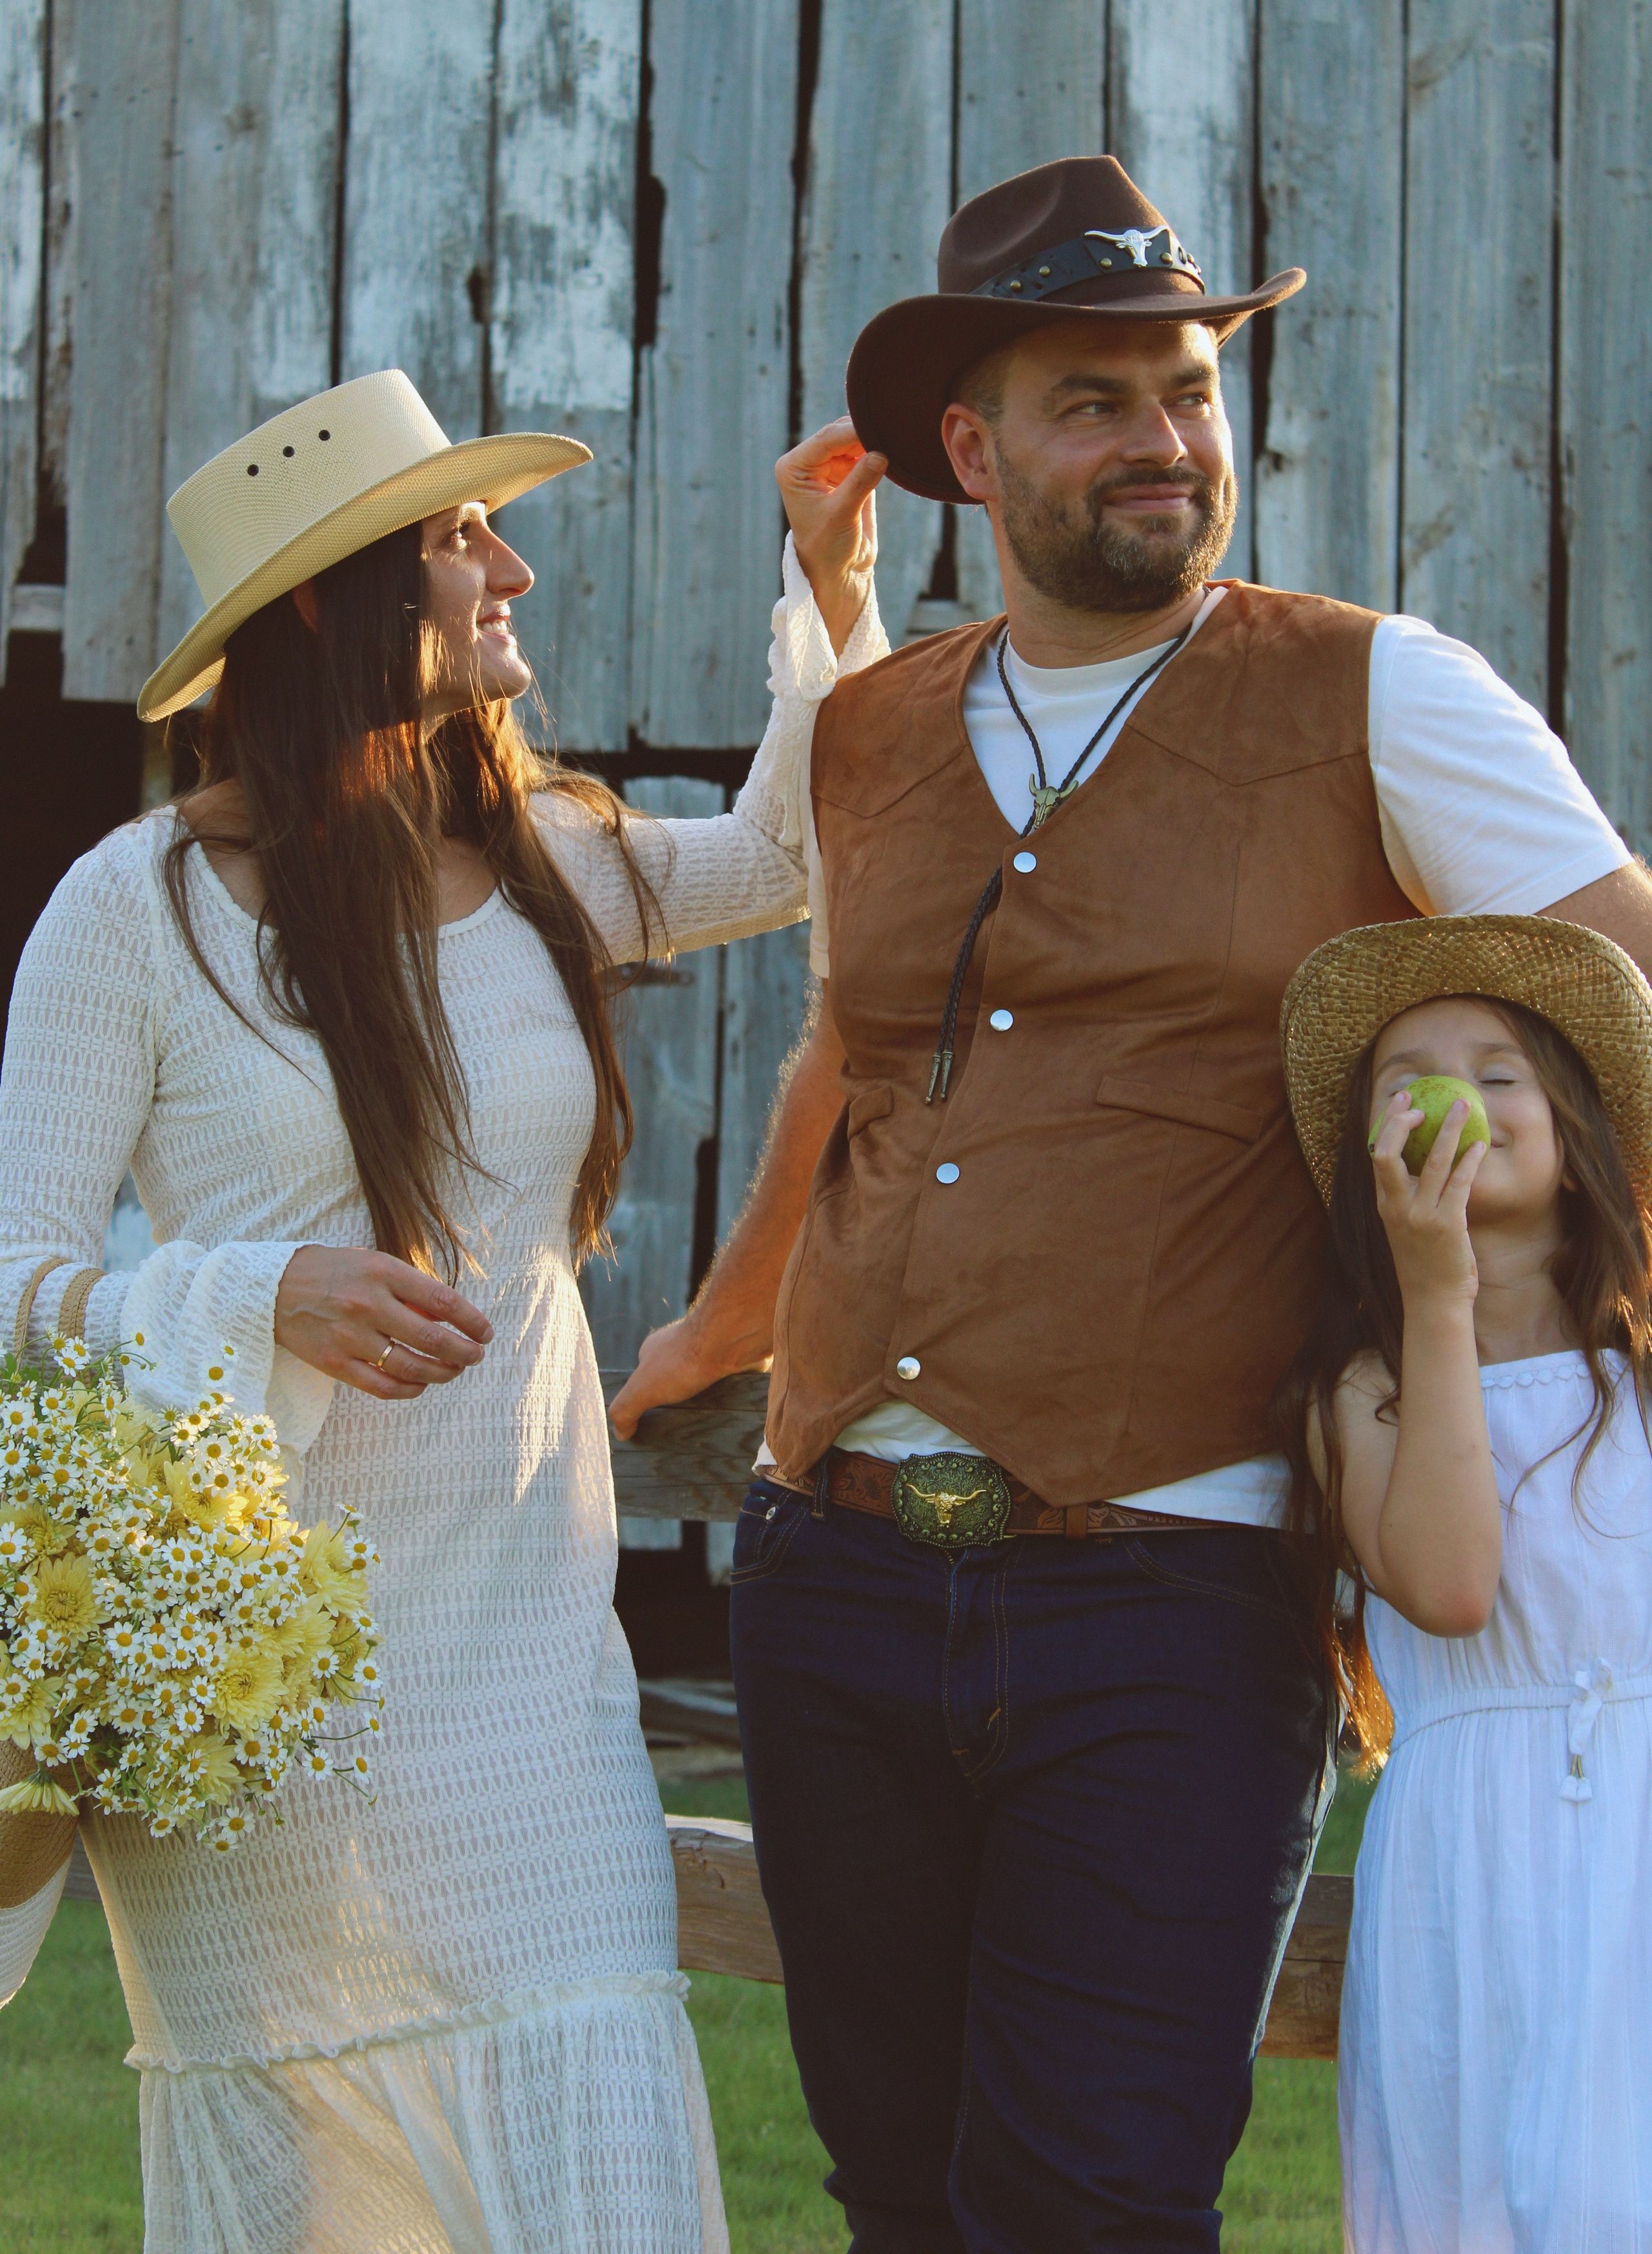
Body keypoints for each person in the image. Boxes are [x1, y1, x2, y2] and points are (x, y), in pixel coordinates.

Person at [610, 156, 1652, 2251]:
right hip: (834, 1573)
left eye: (1184, 389)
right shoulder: (878, 732)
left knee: (1085, 2206)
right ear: (976, 451)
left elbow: (1621, 1007)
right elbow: (855, 1062)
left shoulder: (1378, 691)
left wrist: (1554, 1392)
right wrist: (713, 1343)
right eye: (1095, 400)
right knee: (899, 2194)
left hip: (1176, 1595)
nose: (1165, 440)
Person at [0, 368, 883, 2254]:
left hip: (529, 1674)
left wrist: (827, 593)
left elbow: (804, 862)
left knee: (593, 2116)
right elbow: (13, 1286)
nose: (516, 572)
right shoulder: (131, 912)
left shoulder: (549, 860)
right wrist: (252, 1292)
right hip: (257, 1686)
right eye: (462, 537)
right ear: (328, 599)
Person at [1276, 915, 1652, 2253]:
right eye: (1409, 1078)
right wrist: (1435, 1299)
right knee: (1482, 2196)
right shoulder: (1363, 1393)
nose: (1458, 1094)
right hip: (1472, 1855)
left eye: (1497, 1069)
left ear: (1574, 1133)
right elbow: (1445, 1585)